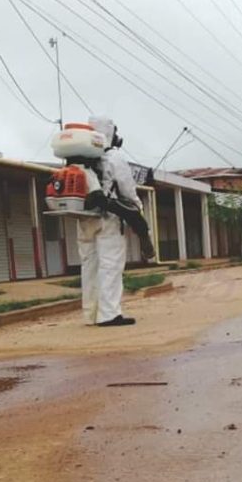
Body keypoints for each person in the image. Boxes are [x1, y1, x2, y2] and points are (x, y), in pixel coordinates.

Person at [78, 115, 140, 326]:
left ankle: (90, 315)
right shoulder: (114, 158)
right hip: (109, 220)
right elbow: (127, 190)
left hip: (85, 220)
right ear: (111, 133)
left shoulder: (78, 158)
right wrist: (137, 210)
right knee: (110, 266)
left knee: (89, 266)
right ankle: (109, 314)